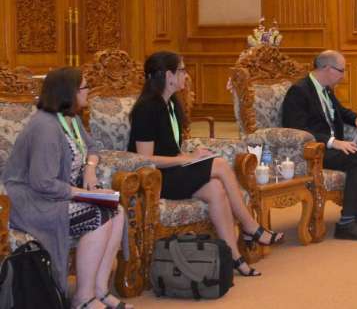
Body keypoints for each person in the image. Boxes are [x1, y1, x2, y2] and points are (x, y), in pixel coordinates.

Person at [127, 51, 281, 277]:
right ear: (168, 75)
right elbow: (145, 159)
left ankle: (234, 258)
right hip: (155, 179)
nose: (186, 75)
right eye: (182, 70)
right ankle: (250, 226)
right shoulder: (147, 108)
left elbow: (169, 148)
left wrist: (190, 154)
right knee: (220, 164)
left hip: (172, 171)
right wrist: (186, 159)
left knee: (216, 189)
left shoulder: (170, 104)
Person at [2, 68, 130, 309]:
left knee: (118, 211)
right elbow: (42, 182)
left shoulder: (70, 120)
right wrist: (85, 194)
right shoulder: (45, 127)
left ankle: (100, 291)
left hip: (59, 195)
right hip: (33, 202)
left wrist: (90, 169)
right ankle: (83, 298)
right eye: (85, 87)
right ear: (68, 92)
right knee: (98, 215)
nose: (88, 91)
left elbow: (92, 148)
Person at [281, 50, 357, 241]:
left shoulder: (325, 89)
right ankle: (346, 223)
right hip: (313, 151)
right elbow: (297, 129)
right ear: (327, 68)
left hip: (330, 147)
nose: (343, 75)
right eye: (341, 70)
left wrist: (355, 118)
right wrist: (333, 142)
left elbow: (339, 111)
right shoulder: (299, 91)